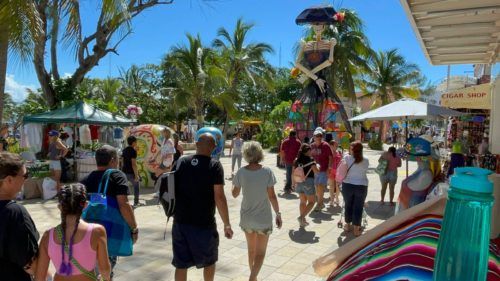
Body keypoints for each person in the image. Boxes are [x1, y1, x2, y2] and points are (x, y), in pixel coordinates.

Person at [172, 133, 233, 281]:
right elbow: (219, 196)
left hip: (180, 222)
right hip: (204, 224)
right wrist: (226, 223)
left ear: (196, 144)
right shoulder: (214, 165)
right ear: (213, 148)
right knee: (209, 261)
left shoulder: (182, 161)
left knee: (181, 264)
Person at [80, 145, 138, 279]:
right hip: (109, 233)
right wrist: (134, 228)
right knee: (106, 270)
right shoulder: (117, 175)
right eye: (118, 158)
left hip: (88, 233)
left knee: (92, 269)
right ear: (113, 160)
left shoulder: (86, 179)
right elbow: (123, 205)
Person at [35, 184, 111, 281]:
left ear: (60, 207)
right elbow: (104, 269)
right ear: (85, 205)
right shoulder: (97, 231)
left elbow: (40, 276)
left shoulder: (48, 236)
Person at [231, 141, 281, 281]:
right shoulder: (267, 172)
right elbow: (272, 196)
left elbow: (234, 194)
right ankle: (252, 278)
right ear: (260, 154)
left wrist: (234, 184)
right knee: (260, 253)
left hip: (247, 218)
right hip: (263, 219)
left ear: (245, 154)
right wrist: (278, 213)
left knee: (251, 250)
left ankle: (254, 277)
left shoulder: (241, 172)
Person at [0, 152, 39, 281]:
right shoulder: (14, 212)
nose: (25, 180)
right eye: (25, 175)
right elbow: (30, 264)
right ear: (9, 180)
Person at [339, 141, 369, 237]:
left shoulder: (347, 158)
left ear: (353, 150)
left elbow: (341, 169)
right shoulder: (366, 160)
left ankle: (347, 225)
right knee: (358, 207)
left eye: (350, 148)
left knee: (348, 205)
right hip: (361, 185)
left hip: (348, 185)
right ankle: (356, 228)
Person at [293, 144, 319, 227]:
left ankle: (302, 221)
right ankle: (301, 217)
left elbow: (293, 172)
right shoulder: (311, 159)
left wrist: (293, 183)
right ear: (308, 151)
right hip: (308, 182)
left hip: (299, 182)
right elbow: (316, 171)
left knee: (302, 202)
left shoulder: (297, 160)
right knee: (312, 202)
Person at [310, 128, 333, 211]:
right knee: (316, 187)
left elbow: (330, 157)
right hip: (314, 170)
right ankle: (321, 202)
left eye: (320, 135)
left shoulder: (325, 145)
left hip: (323, 169)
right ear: (314, 137)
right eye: (317, 136)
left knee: (320, 186)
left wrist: (329, 168)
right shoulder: (312, 146)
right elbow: (310, 156)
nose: (319, 137)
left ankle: (319, 204)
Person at [121, 136, 141, 207]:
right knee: (136, 186)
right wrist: (136, 175)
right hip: (131, 172)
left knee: (124, 188)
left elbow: (122, 162)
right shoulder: (133, 151)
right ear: (133, 143)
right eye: (136, 142)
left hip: (124, 171)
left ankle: (124, 202)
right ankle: (136, 202)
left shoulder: (124, 150)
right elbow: (134, 164)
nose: (136, 143)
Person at [328, 140, 342, 206]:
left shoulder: (339, 152)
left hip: (338, 172)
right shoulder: (328, 153)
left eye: (337, 145)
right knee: (331, 186)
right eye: (335, 145)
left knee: (338, 186)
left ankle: (336, 198)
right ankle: (331, 200)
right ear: (331, 145)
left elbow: (342, 161)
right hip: (331, 171)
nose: (337, 146)